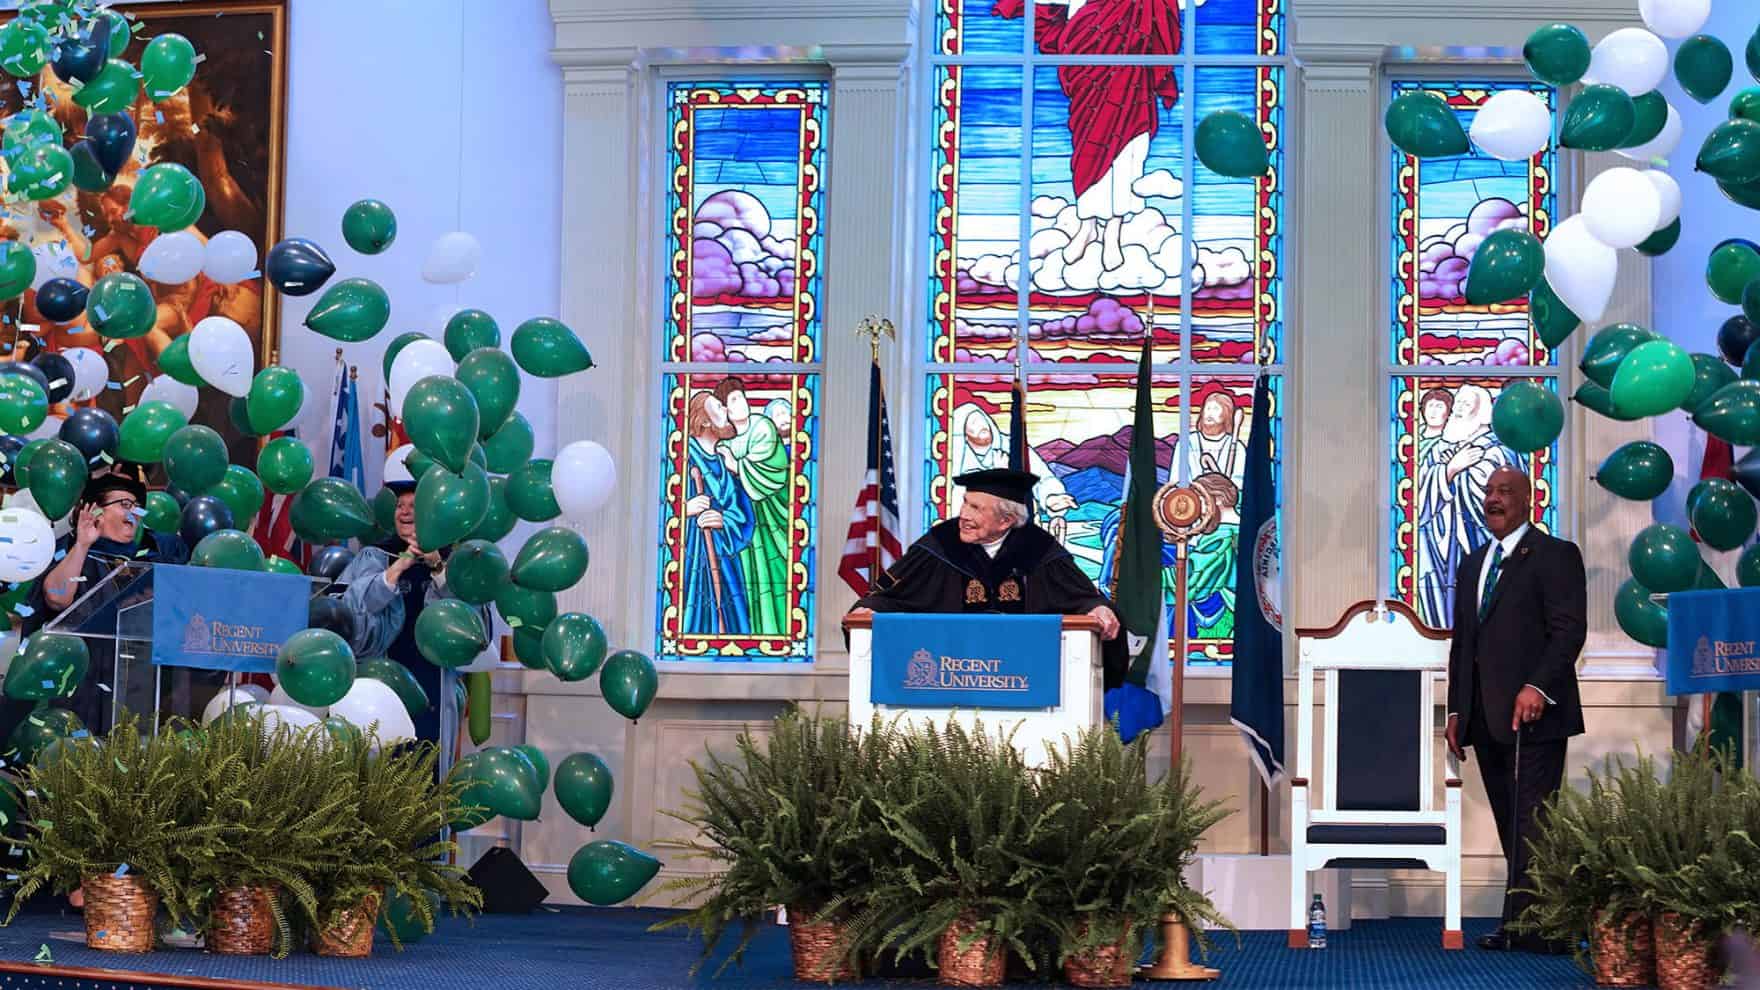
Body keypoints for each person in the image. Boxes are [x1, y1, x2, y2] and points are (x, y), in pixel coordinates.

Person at [1444, 467, 1585, 954]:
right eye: (1489, 492)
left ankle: (1538, 924)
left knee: (1535, 818)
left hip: (1535, 714)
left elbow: (1568, 630)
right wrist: (1455, 711)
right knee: (1510, 819)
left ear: (1529, 500)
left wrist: (1536, 687)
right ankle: (1530, 920)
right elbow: (1464, 644)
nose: (1493, 499)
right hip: (1484, 716)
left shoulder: (1555, 556)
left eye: (1505, 492)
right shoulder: (1472, 563)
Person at [848, 467, 1123, 683]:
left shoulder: (1040, 550)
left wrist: (1098, 609)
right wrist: (868, 608)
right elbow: (890, 595)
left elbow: (1081, 598)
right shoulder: (939, 545)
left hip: (1026, 680)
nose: (963, 515)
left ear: (1007, 520)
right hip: (947, 679)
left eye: (976, 508)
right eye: (966, 503)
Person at [13, 467, 189, 738]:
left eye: (139, 507)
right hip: (80, 688)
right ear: (95, 511)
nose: (135, 513)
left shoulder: (151, 562)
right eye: (125, 504)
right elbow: (57, 599)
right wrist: (83, 544)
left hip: (135, 689)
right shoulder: (70, 550)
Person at [337, 481, 491, 747]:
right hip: (382, 676)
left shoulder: (456, 562)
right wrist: (398, 568)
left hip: (436, 681)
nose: (404, 512)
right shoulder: (374, 556)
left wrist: (437, 567)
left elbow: (474, 624)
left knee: (427, 758)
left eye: (413, 506)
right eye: (400, 506)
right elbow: (349, 612)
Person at [1415, 384, 1517, 628]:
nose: (1458, 409)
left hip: (1477, 537)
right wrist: (1450, 469)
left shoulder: (1495, 448)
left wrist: (1460, 471)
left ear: (1481, 412)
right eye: (1457, 403)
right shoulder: (1443, 446)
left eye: (1466, 404)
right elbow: (1420, 492)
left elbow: (1497, 489)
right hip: (1440, 540)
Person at [713, 378, 790, 637]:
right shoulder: (727, 442)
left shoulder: (763, 427)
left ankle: (777, 633)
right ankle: (756, 632)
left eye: (741, 396)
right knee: (751, 581)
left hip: (773, 522)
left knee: (775, 578)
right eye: (733, 400)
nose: (741, 403)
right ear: (724, 410)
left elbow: (769, 473)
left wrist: (734, 464)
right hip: (746, 526)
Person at [681, 390, 755, 635]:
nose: (726, 409)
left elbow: (744, 515)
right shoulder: (683, 457)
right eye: (719, 406)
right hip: (693, 560)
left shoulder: (726, 462)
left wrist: (724, 519)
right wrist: (684, 510)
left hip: (725, 562)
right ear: (703, 421)